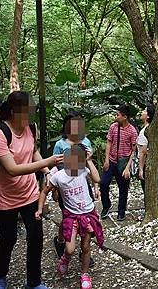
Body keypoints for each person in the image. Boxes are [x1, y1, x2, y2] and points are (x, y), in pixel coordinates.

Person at [0, 91, 63, 289]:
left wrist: (47, 170)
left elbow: (33, 151)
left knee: (35, 237)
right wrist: (49, 161)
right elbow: (12, 169)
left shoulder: (31, 127)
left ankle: (33, 281)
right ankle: (0, 274)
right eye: (27, 112)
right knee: (8, 239)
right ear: (14, 111)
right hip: (6, 197)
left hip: (30, 193)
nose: (30, 116)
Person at [36, 145, 103, 289]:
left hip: (88, 213)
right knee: (70, 249)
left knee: (85, 247)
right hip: (71, 216)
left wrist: (89, 161)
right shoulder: (58, 177)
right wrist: (40, 209)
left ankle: (84, 274)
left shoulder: (82, 171)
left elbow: (97, 178)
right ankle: (65, 258)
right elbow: (44, 191)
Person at [51, 112, 97, 266]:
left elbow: (89, 163)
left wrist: (95, 186)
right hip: (65, 186)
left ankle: (85, 250)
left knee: (86, 216)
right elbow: (55, 167)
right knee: (68, 217)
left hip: (82, 183)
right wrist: (54, 190)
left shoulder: (86, 141)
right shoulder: (60, 144)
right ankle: (60, 241)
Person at [100, 105, 137, 221]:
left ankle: (121, 211)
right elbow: (109, 143)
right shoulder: (113, 127)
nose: (116, 116)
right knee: (103, 183)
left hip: (124, 162)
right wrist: (106, 159)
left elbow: (133, 150)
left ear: (125, 117)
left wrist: (128, 167)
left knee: (123, 188)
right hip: (111, 161)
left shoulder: (132, 131)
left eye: (118, 114)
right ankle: (106, 206)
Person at [135, 105, 158, 205]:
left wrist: (141, 169)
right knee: (155, 185)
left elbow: (143, 152)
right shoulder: (154, 129)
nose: (142, 112)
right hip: (157, 161)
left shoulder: (145, 131)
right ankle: (156, 206)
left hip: (148, 162)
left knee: (150, 187)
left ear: (148, 116)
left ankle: (155, 207)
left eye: (144, 111)